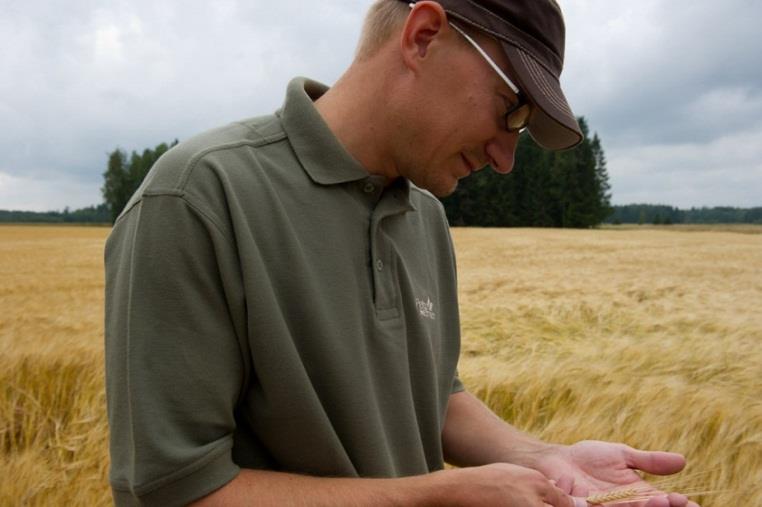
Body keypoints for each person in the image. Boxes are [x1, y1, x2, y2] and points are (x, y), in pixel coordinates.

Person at [104, 1, 700, 506]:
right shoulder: (198, 197)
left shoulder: (426, 217)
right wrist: (432, 497)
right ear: (423, 36)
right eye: (511, 110)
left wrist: (544, 458)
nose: (504, 158)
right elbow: (176, 489)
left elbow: (431, 395)